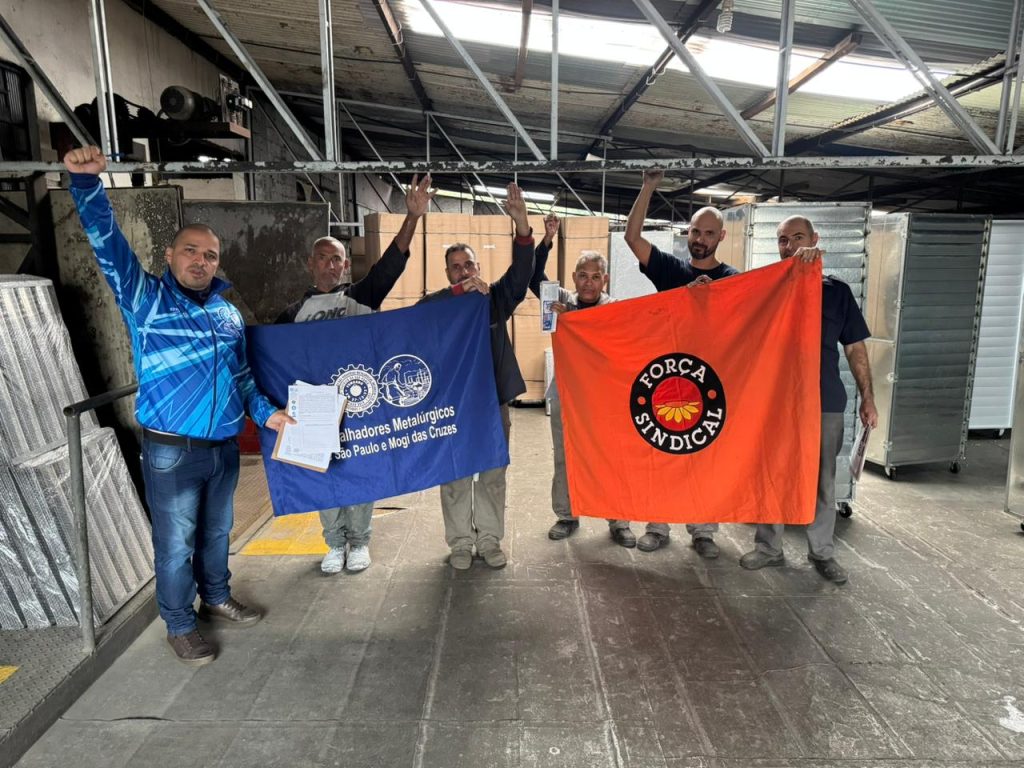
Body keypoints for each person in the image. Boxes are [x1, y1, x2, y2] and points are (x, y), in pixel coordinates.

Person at [63, 146, 293, 666]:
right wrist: (87, 185)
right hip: (171, 451)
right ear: (170, 255)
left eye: (210, 255)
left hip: (223, 449)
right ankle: (179, 623)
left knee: (217, 533)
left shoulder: (227, 316)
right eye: (191, 251)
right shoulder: (145, 300)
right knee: (174, 544)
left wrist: (267, 413)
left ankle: (216, 596)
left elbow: (241, 378)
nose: (200, 261)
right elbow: (108, 245)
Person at [275, 175, 435, 575]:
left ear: (346, 265)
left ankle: (360, 542)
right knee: (323, 474)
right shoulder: (291, 315)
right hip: (313, 407)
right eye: (323, 258)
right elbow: (274, 361)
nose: (330, 265)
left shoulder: (360, 298)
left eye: (337, 259)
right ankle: (334, 543)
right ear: (311, 264)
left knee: (359, 471)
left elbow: (391, 264)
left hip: (358, 402)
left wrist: (412, 217)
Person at [739, 215, 878, 585]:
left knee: (823, 480)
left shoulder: (837, 292)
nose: (789, 246)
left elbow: (855, 348)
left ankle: (822, 552)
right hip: (774, 402)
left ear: (815, 240)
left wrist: (868, 397)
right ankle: (769, 548)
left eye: (797, 238)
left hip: (825, 401)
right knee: (772, 473)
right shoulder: (765, 288)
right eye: (782, 240)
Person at [418, 183, 535, 570]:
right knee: (455, 475)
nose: (465, 272)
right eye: (456, 268)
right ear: (447, 274)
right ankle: (460, 543)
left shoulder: (495, 299)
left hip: (491, 404)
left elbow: (521, 274)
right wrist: (456, 294)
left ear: (479, 268)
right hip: (451, 406)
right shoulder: (437, 306)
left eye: (469, 266)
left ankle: (488, 539)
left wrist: (521, 224)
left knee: (492, 474)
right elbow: (414, 318)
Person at [623, 168, 739, 559]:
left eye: (708, 233)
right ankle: (658, 526)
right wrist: (648, 186)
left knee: (705, 457)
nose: (700, 239)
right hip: (668, 378)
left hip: (710, 383)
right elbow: (632, 237)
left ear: (721, 237)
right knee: (662, 452)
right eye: (695, 232)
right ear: (687, 233)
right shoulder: (671, 270)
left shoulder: (733, 280)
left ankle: (703, 531)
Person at [531, 216, 636, 546]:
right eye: (582, 276)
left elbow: (614, 344)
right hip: (567, 393)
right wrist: (547, 240)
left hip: (605, 397)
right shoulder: (560, 299)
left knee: (610, 456)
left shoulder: (614, 308)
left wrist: (574, 321)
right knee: (565, 455)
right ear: (574, 277)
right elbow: (533, 276)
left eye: (595, 276)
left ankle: (618, 519)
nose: (588, 283)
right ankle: (567, 515)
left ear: (605, 279)